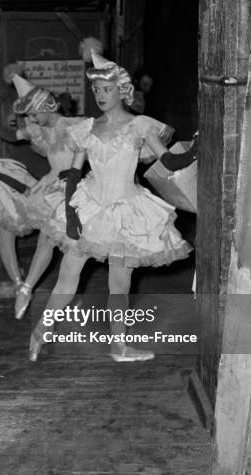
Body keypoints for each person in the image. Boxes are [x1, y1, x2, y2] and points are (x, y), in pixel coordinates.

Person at [29, 51, 196, 363]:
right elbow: (74, 175)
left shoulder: (141, 125)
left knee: (119, 284)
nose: (100, 95)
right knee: (68, 275)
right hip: (90, 205)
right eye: (96, 90)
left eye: (106, 89)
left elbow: (170, 160)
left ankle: (118, 346)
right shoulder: (87, 128)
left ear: (122, 90)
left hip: (127, 210)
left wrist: (195, 148)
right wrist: (69, 215)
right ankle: (39, 332)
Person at [0, 65, 86, 319]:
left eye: (34, 114)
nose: (32, 120)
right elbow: (11, 134)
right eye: (30, 116)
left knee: (72, 248)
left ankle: (55, 293)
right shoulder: (41, 128)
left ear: (47, 107)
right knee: (49, 239)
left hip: (74, 189)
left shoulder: (74, 126)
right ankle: (27, 289)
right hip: (51, 187)